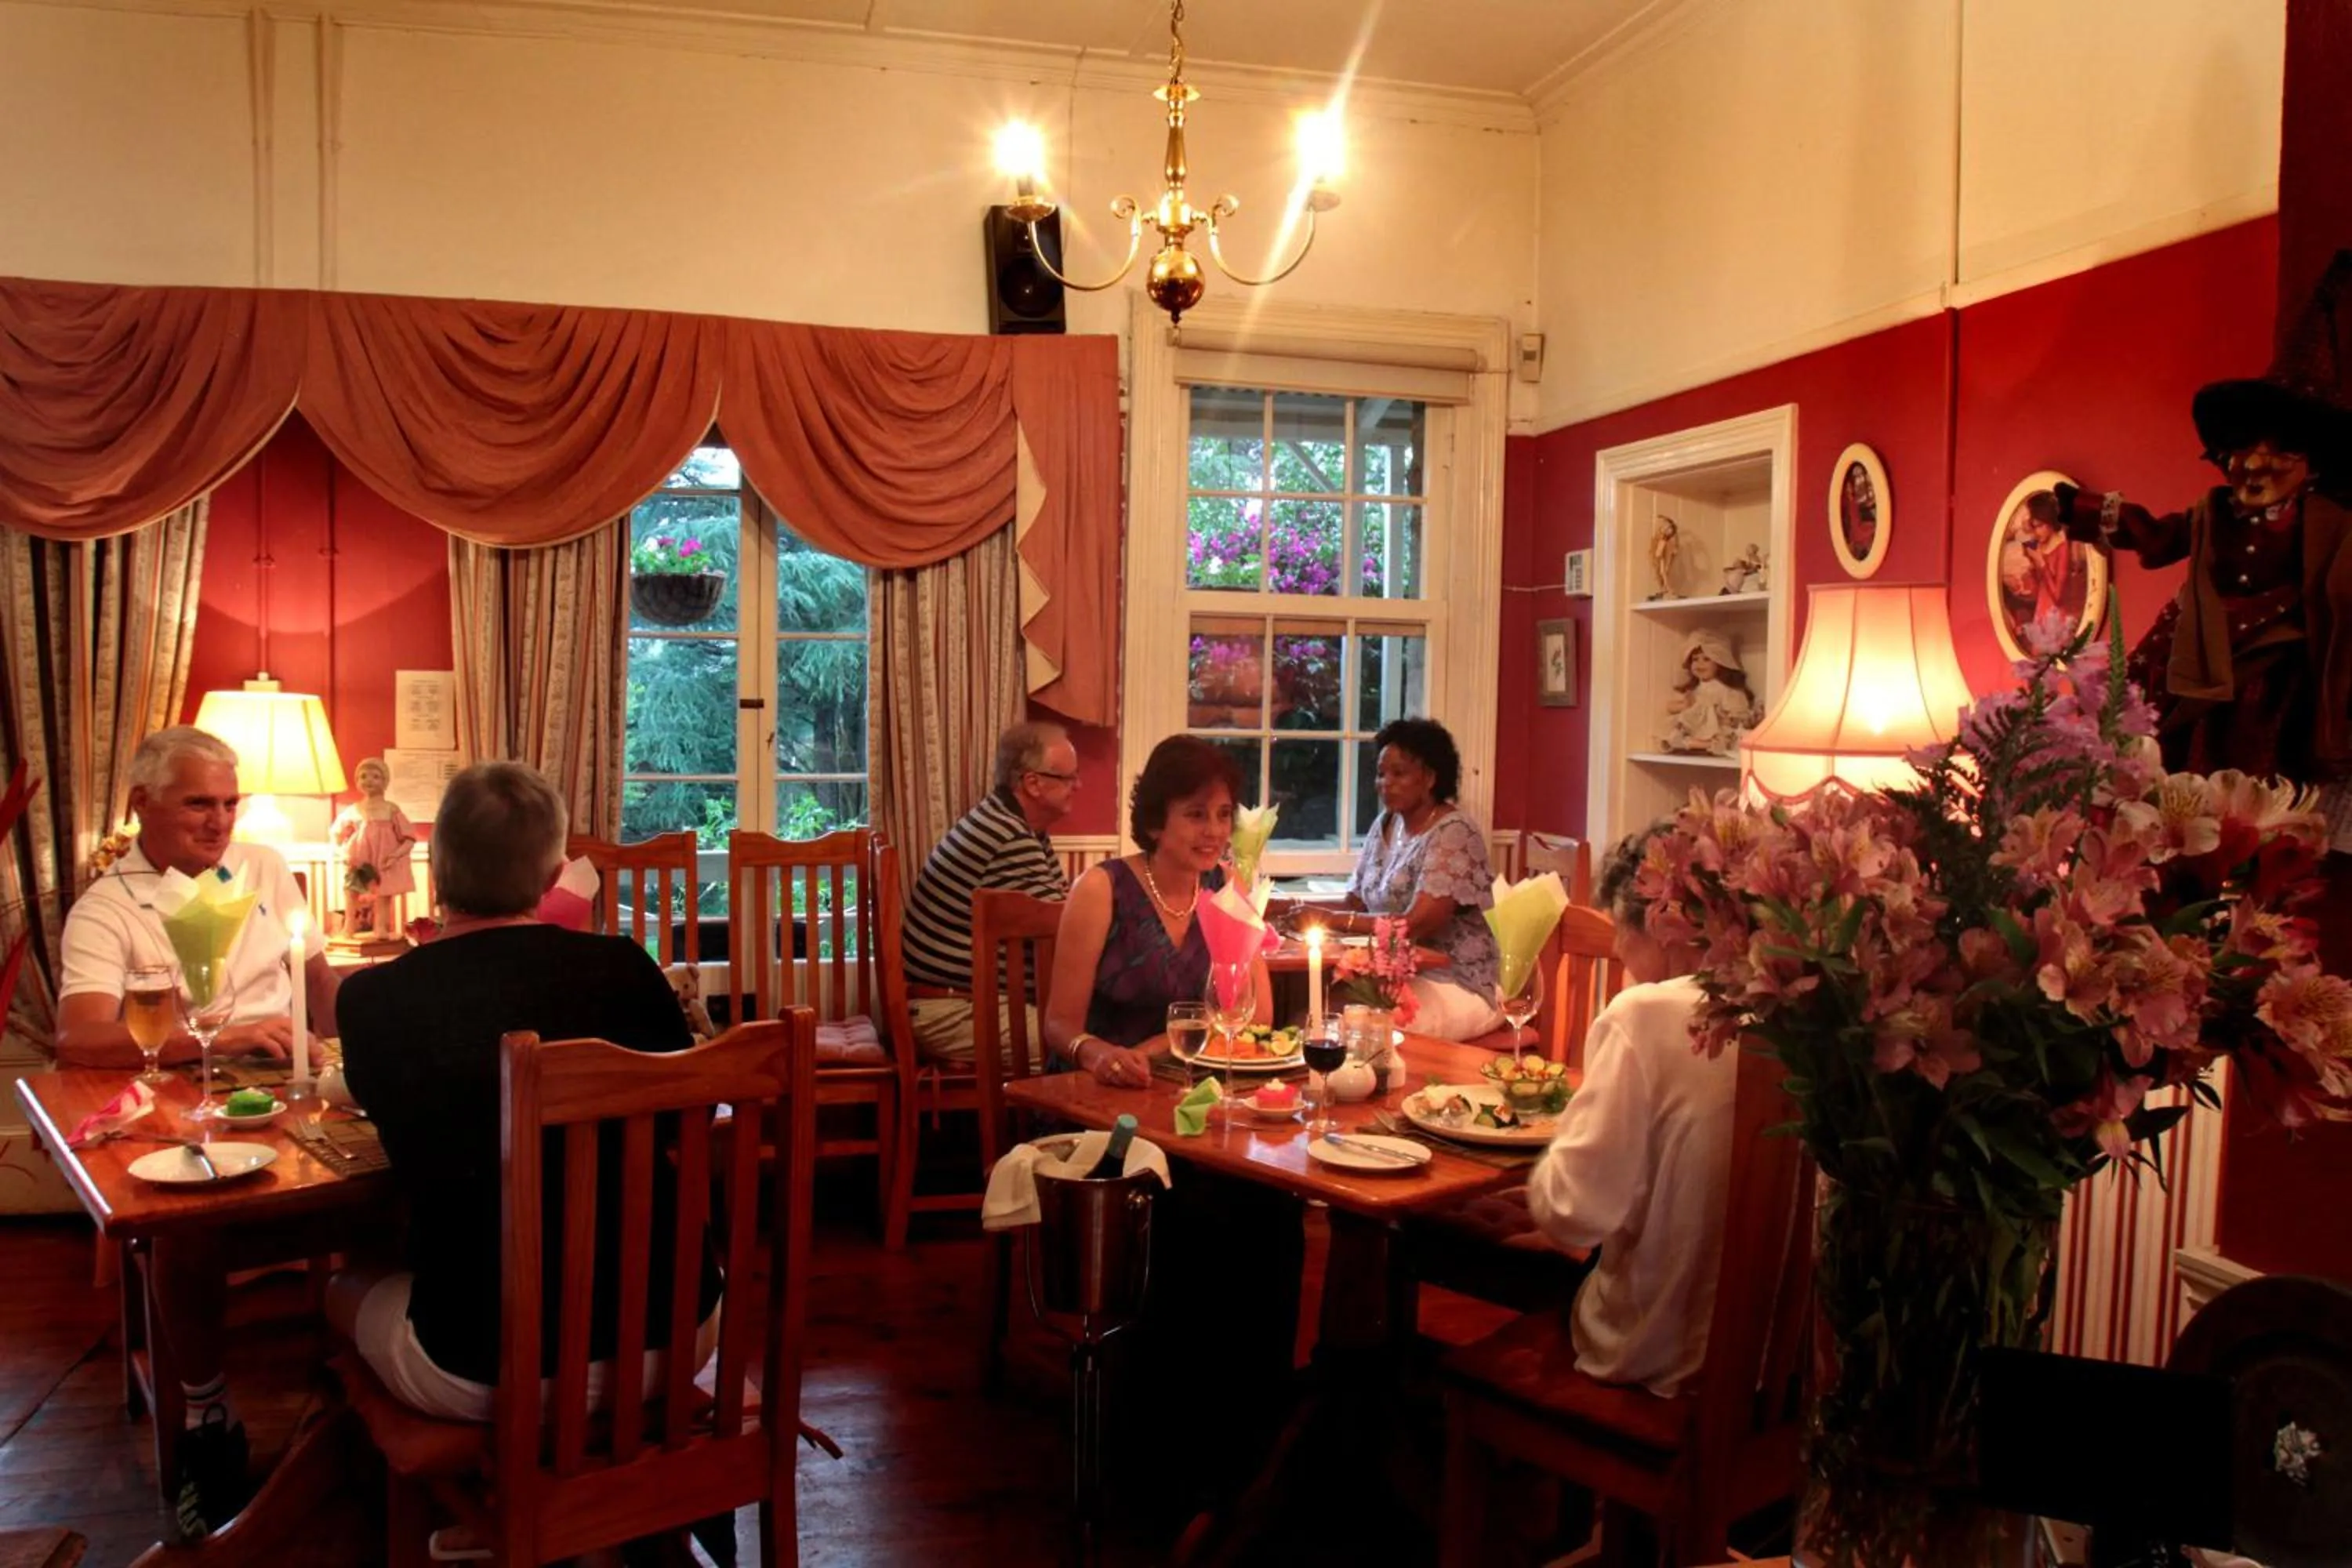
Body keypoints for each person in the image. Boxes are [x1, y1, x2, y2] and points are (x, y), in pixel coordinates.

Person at [328, 762, 720, 1428]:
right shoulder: (627, 970)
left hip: (484, 1364)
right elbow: (692, 1121)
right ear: (549, 876)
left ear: (437, 867)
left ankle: (419, 1491)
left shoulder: (374, 998)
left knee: (342, 1285)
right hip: (676, 1330)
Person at [53, 725, 337, 1538]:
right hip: (176, 1102)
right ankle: (208, 1406)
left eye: (229, 802)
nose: (219, 821)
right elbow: (80, 1035)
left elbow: (316, 980)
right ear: (142, 803)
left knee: (393, 1179)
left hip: (283, 1093)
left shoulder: (263, 868)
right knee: (188, 1227)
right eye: (198, 804)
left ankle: (354, 1388)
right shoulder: (108, 905)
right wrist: (222, 1030)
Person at [1526, 826, 1736, 1397]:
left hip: (1652, 1352)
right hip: (1762, 1366)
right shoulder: (1785, 998)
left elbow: (1573, 1213)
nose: (1617, 949)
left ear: (1667, 925)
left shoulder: (1647, 1015)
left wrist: (1551, 1159)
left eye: (1621, 930)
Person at [1043, 735, 1269, 1083]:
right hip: (1099, 1088)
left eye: (1223, 815)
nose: (1214, 831)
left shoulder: (1227, 887)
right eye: (1196, 815)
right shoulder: (1101, 889)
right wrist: (1102, 1055)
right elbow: (1058, 1026)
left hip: (1191, 1084)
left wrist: (1156, 1049)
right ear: (1154, 823)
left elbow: (1258, 1014)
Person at [900, 721, 1076, 1066]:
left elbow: (1062, 909)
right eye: (1067, 778)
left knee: (1085, 1034)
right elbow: (1061, 931)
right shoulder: (1009, 837)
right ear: (1033, 783)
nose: (1078, 786)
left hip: (954, 1003)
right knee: (1081, 1043)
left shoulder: (1017, 826)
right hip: (950, 1011)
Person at [1324, 717, 1504, 1042]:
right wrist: (1289, 910)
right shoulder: (1386, 823)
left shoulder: (1455, 832)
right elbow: (1355, 904)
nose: (1385, 783)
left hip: (1457, 980)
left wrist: (1334, 920)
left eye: (1399, 773)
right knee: (1316, 1013)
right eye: (1381, 773)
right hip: (1396, 977)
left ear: (1431, 778)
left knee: (1364, 1031)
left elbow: (1416, 924)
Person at [328, 755, 416, 942]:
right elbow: (336, 834)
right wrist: (342, 853)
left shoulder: (391, 809)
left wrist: (396, 855)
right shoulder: (353, 810)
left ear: (385, 782)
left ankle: (381, 928)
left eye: (375, 776)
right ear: (358, 781)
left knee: (384, 894)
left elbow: (408, 838)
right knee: (352, 892)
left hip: (384, 860)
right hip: (359, 860)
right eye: (364, 776)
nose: (369, 780)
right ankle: (349, 927)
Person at [1661, 629, 1755, 757]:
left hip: (1716, 727)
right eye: (1695, 659)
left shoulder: (1725, 690)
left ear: (1719, 663)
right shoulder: (1695, 689)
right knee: (1678, 727)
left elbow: (1736, 712)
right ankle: (1688, 743)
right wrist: (1685, 706)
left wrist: (1726, 717)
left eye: (1706, 659)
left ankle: (1707, 744)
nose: (1700, 664)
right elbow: (1673, 707)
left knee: (1723, 735)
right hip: (1697, 727)